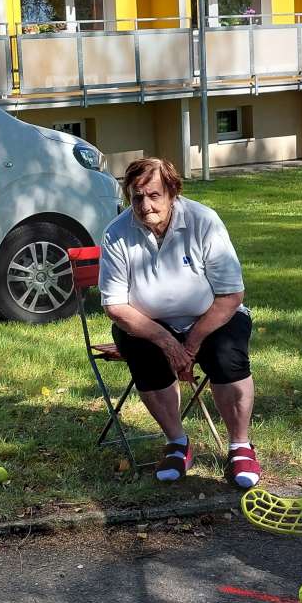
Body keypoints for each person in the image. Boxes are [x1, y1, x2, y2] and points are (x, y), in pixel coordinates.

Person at [97, 157, 260, 487]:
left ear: (173, 192)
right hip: (149, 324)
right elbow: (115, 306)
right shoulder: (116, 233)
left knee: (226, 356)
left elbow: (231, 295)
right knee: (142, 353)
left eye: (154, 195)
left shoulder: (204, 221)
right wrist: (167, 342)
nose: (145, 206)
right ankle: (177, 442)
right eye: (137, 197)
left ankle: (240, 447)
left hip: (211, 317)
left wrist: (191, 343)